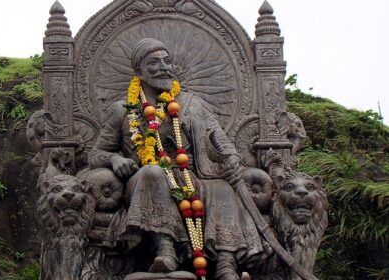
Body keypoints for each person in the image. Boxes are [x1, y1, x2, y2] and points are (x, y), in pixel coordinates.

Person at [88, 38, 272, 279]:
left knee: (222, 188)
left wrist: (232, 160)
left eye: (167, 61)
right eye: (153, 62)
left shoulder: (193, 104)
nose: (163, 67)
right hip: (146, 179)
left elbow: (220, 140)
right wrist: (114, 160)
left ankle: (227, 266)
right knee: (153, 172)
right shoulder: (124, 109)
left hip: (191, 175)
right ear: (139, 71)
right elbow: (95, 154)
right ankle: (165, 251)